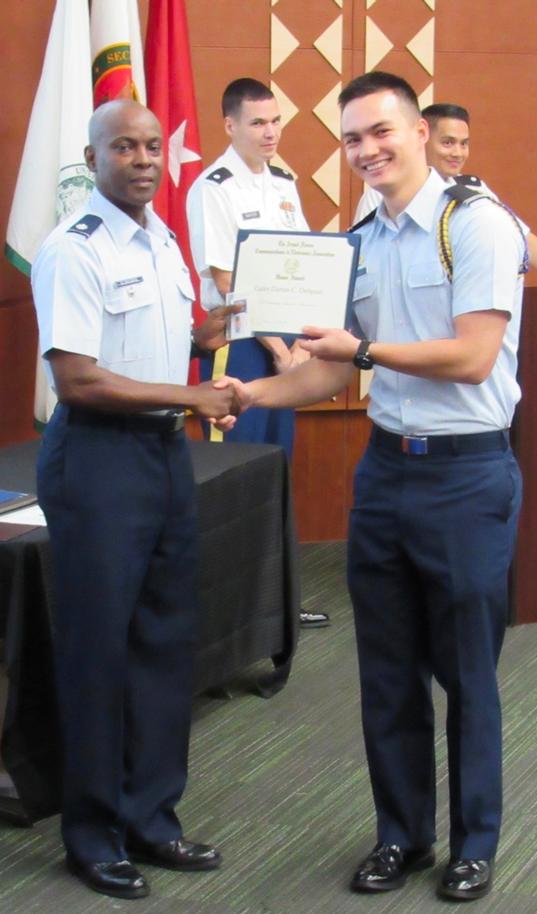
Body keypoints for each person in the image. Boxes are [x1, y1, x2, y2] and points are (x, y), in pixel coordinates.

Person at [217, 71, 526, 902]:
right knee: (385, 671)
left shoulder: (480, 227)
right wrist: (251, 394)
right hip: (385, 470)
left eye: (381, 132)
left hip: (467, 475)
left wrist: (363, 352)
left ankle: (475, 842)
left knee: (467, 673)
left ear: (421, 131)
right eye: (352, 139)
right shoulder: (356, 239)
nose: (367, 151)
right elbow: (324, 371)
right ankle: (403, 836)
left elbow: (471, 357)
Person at [32, 99, 240, 901]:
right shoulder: (72, 249)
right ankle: (91, 834)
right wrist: (191, 394)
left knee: (163, 642)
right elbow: (79, 379)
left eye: (154, 145)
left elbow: (144, 345)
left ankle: (153, 818)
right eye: (126, 146)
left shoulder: (161, 238)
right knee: (98, 651)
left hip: (160, 455)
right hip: (97, 462)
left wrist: (200, 335)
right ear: (95, 158)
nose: (146, 158)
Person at [187, 77, 329, 628]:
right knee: (231, 477)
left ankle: (274, 602)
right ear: (229, 126)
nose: (270, 133)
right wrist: (278, 346)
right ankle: (226, 616)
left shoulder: (285, 181)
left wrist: (298, 346)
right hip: (240, 349)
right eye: (257, 123)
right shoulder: (213, 188)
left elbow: (305, 263)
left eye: (275, 121)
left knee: (274, 471)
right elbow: (226, 279)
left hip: (285, 351)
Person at [353, 101, 537, 284]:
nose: (457, 153)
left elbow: (523, 239)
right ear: (422, 138)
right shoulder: (382, 194)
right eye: (447, 143)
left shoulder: (472, 189)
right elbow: (363, 264)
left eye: (464, 144)